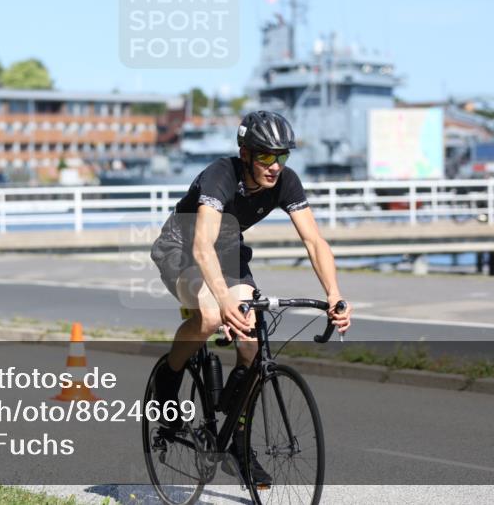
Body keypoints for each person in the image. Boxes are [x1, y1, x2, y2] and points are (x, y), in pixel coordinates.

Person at [150, 110, 352, 487]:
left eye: (282, 156)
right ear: (245, 154)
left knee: (251, 341)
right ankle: (167, 381)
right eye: (265, 156)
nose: (275, 166)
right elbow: (201, 244)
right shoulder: (220, 175)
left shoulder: (285, 181)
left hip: (227, 250)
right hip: (182, 247)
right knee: (211, 316)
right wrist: (223, 300)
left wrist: (334, 295)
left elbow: (313, 241)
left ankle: (236, 437)